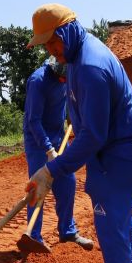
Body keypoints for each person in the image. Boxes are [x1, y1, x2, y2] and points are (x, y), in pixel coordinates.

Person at [25, 3, 132, 263]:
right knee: (116, 216)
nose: (52, 51)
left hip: (121, 150)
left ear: (68, 30)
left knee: (109, 221)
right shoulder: (77, 56)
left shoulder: (90, 67)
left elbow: (93, 136)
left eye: (54, 42)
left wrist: (51, 170)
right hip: (113, 149)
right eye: (46, 46)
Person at [23, 59, 91, 249]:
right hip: (37, 141)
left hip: (59, 137)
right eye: (62, 78)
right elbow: (33, 121)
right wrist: (48, 149)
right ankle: (34, 237)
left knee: (68, 182)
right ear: (55, 72)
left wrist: (74, 120)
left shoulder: (68, 74)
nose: (64, 82)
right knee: (39, 186)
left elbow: (70, 101)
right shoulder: (38, 81)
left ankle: (67, 232)